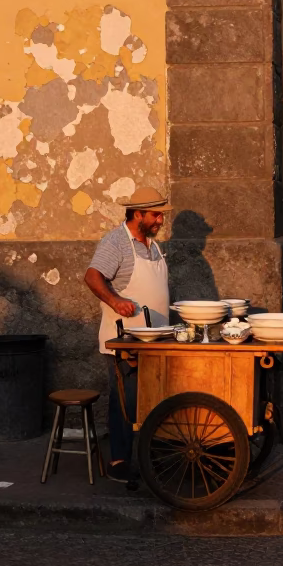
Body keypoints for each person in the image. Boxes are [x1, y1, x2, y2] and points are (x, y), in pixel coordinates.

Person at [84, 186, 169, 484]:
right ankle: (119, 461)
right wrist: (115, 301)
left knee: (152, 400)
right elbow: (92, 276)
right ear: (138, 214)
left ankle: (147, 456)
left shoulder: (152, 244)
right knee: (125, 401)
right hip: (126, 341)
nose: (160, 220)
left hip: (155, 339)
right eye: (156, 215)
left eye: (161, 214)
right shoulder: (117, 242)